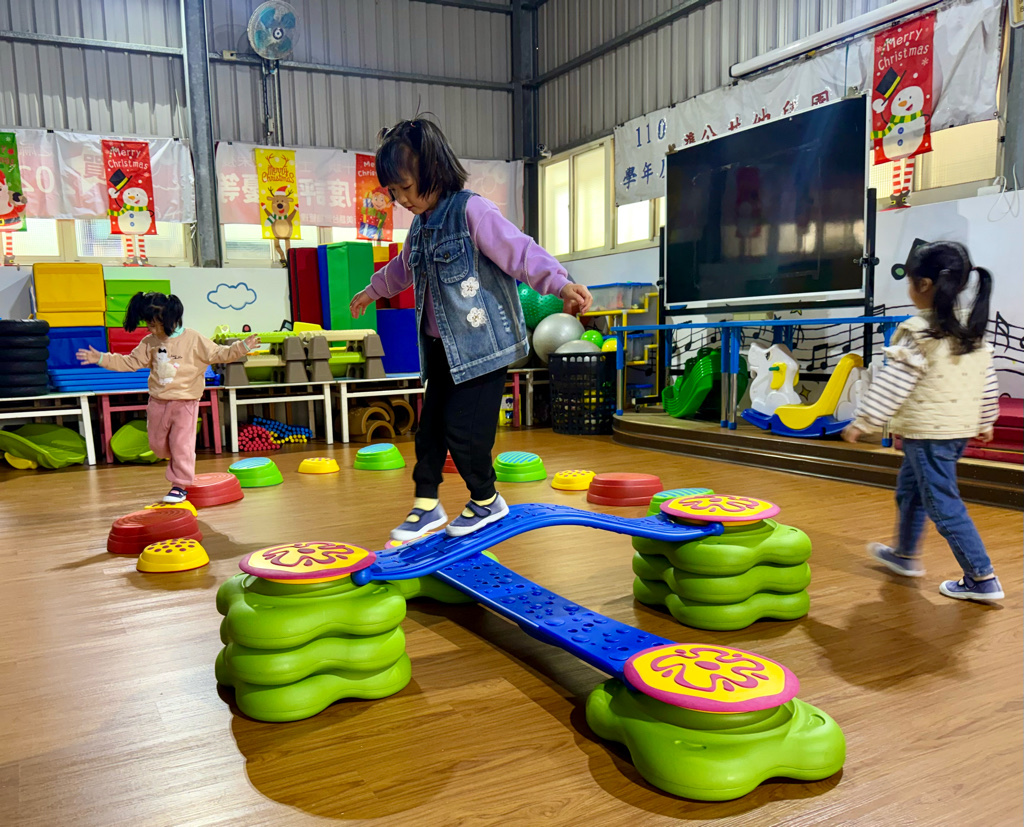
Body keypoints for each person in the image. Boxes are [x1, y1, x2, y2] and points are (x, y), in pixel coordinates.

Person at [350, 117, 592, 541]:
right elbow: (402, 269)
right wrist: (372, 291)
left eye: (406, 187)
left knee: (464, 430)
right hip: (441, 350)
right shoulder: (420, 227)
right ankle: (426, 503)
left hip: (482, 349)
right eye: (393, 192)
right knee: (429, 430)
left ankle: (486, 499)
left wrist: (560, 283)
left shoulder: (471, 211)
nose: (401, 199)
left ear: (432, 169)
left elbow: (520, 252)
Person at [843, 241, 1002, 602]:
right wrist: (986, 420)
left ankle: (981, 576)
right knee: (911, 491)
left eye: (910, 282)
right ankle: (904, 555)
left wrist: (865, 420)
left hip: (929, 433)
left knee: (942, 503)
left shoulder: (918, 332)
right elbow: (986, 380)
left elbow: (893, 383)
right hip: (955, 430)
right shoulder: (970, 329)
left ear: (925, 285)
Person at [78, 292, 258, 503]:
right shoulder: (149, 342)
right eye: (149, 325)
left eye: (155, 325)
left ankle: (179, 485)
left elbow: (219, 353)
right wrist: (101, 358)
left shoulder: (193, 338)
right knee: (157, 446)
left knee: (181, 445)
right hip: (158, 403)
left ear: (171, 320)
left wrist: (242, 347)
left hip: (186, 403)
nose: (151, 329)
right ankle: (179, 461)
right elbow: (130, 363)